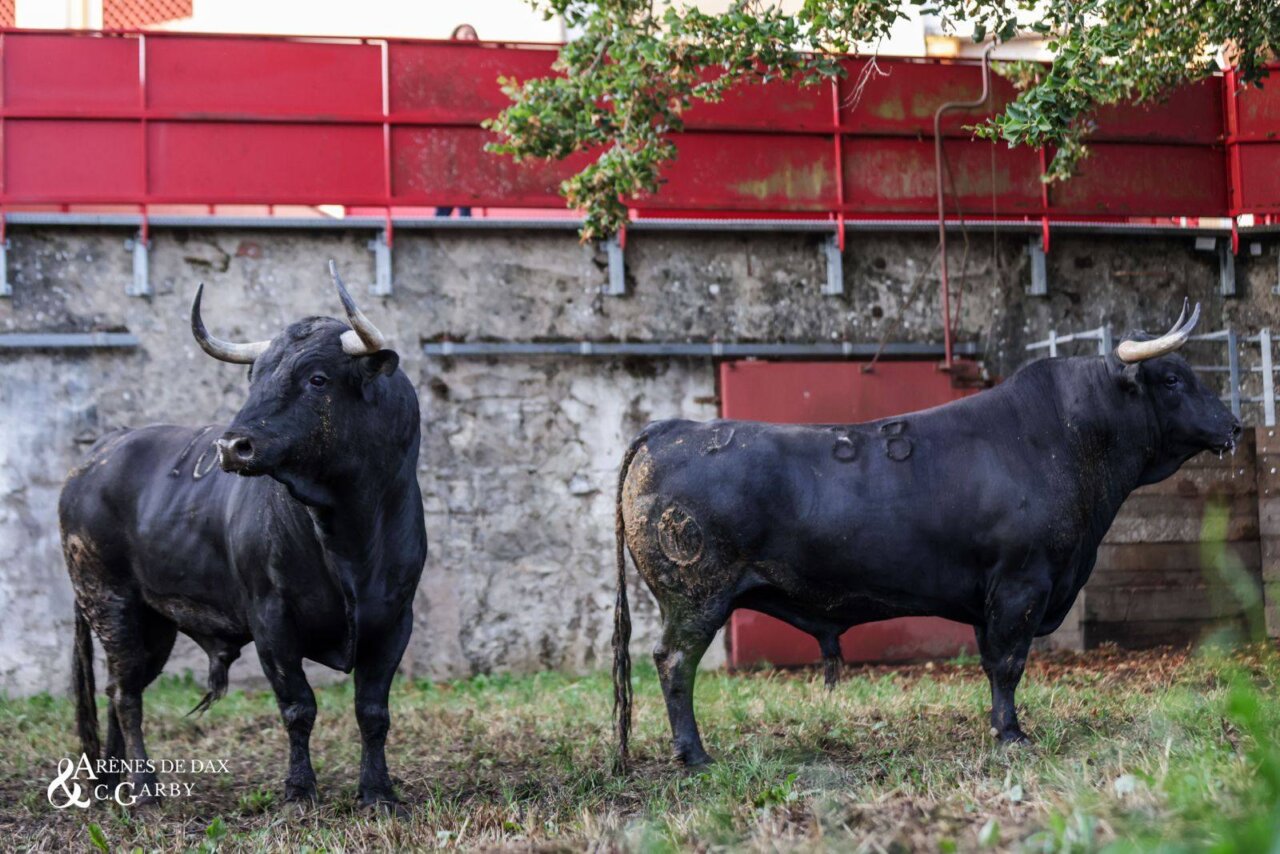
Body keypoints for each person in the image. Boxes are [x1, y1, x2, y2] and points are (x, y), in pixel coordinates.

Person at [435, 25, 480, 219]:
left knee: (465, 174)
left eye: (472, 34)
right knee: (453, 174)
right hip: (453, 129)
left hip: (471, 129)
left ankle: (457, 215)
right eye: (465, 34)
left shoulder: (481, 63)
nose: (470, 37)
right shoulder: (448, 63)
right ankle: (446, 216)